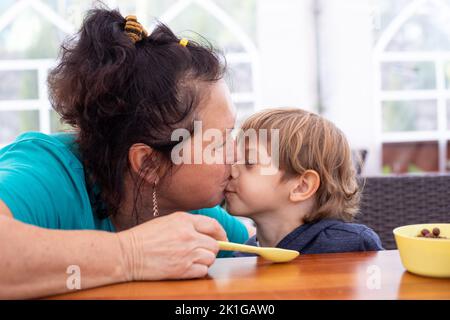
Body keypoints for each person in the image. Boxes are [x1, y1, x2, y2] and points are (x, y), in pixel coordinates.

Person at [0, 8, 251, 299]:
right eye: (218, 143)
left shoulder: (193, 212)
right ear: (148, 164)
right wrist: (132, 255)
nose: (236, 155)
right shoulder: (46, 172)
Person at [225, 108, 383, 256]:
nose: (231, 170)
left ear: (301, 187)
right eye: (234, 160)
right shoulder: (243, 257)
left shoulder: (354, 246)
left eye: (249, 162)